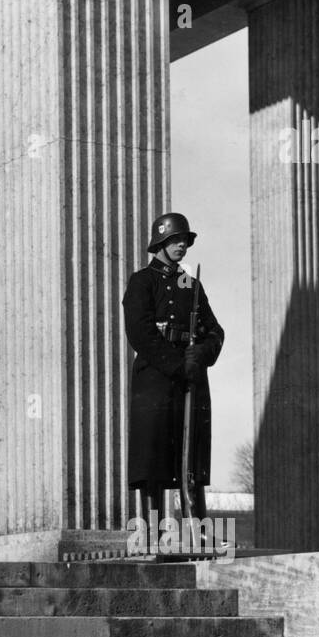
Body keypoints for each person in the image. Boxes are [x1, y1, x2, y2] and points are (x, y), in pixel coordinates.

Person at [122, 212, 223, 538]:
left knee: (191, 455)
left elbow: (215, 331)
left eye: (185, 241)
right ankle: (151, 531)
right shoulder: (142, 281)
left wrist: (202, 353)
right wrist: (177, 363)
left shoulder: (191, 284)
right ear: (161, 243)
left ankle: (198, 530)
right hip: (156, 376)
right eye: (176, 240)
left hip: (191, 377)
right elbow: (140, 333)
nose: (182, 245)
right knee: (153, 456)